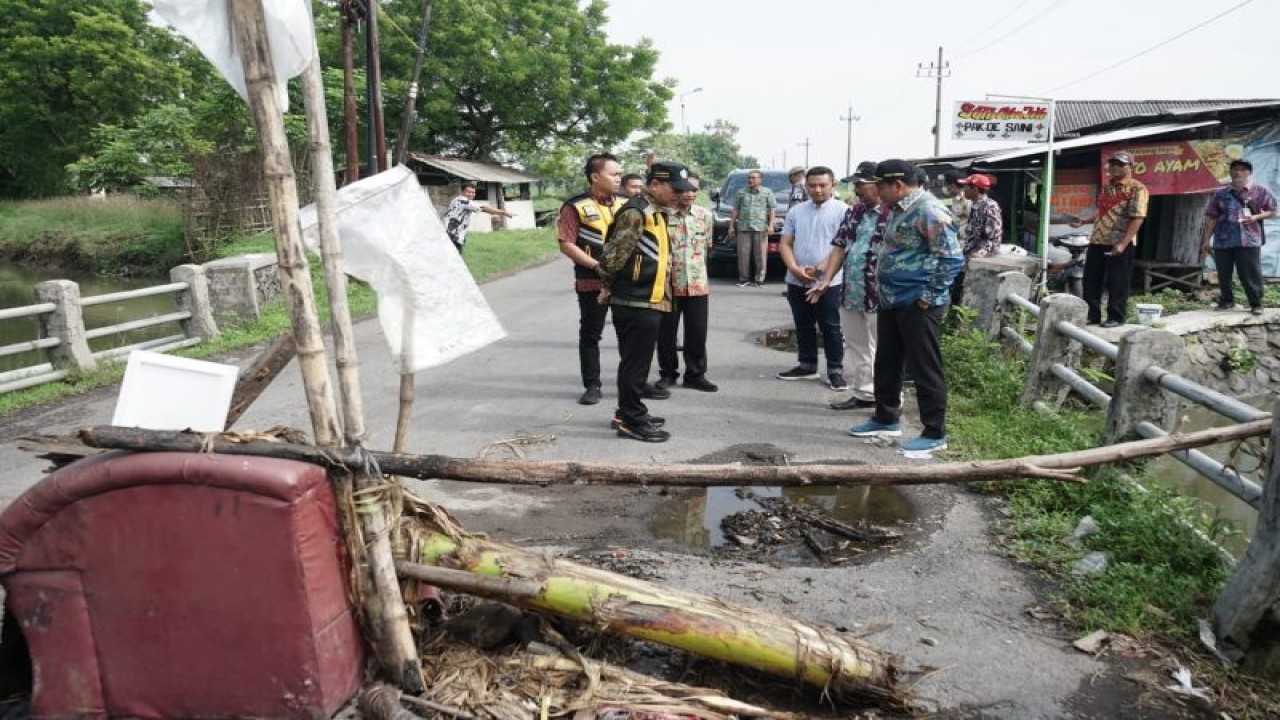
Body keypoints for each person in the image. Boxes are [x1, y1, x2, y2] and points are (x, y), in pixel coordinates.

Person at [848, 159, 963, 458]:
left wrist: (928, 295)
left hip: (917, 303)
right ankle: (886, 418)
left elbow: (951, 258)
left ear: (896, 185)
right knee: (887, 361)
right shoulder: (899, 209)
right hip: (892, 299)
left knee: (924, 367)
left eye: (880, 186)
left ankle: (934, 432)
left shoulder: (929, 209)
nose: (876, 192)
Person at [597, 161, 692, 442]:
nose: (679, 195)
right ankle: (631, 420)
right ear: (654, 185)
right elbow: (612, 259)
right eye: (675, 189)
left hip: (647, 299)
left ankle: (627, 411)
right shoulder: (637, 212)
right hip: (634, 301)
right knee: (635, 364)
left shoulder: (656, 211)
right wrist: (609, 286)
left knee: (635, 362)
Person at [809, 161, 889, 410]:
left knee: (885, 350)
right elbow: (840, 247)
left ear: (878, 185)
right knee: (857, 346)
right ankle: (865, 394)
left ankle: (888, 401)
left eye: (861, 185)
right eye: (855, 185)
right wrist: (826, 280)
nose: (856, 190)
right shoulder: (854, 212)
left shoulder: (893, 213)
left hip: (881, 294)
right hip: (852, 290)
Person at [557, 153, 624, 405]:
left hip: (625, 283)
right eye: (614, 174)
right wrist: (597, 266)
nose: (619, 178)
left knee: (629, 335)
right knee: (591, 335)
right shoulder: (575, 206)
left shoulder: (626, 203)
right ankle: (592, 385)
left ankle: (633, 383)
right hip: (591, 281)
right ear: (595, 176)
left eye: (620, 174)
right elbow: (566, 243)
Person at [776, 166, 849, 390]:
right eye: (812, 185)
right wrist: (795, 268)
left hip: (829, 279)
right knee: (803, 323)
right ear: (805, 186)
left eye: (822, 185)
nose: (817, 190)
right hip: (797, 278)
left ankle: (835, 370)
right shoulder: (796, 212)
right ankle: (807, 365)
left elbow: (843, 247)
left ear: (832, 185)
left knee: (830, 325)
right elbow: (785, 243)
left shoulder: (844, 211)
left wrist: (820, 269)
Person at [1070, 151, 1148, 328]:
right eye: (1112, 164)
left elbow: (1138, 217)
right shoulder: (1107, 187)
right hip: (1098, 239)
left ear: (1130, 167)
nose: (1114, 167)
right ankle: (1092, 315)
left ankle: (1116, 316)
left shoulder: (1137, 188)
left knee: (1117, 281)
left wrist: (1123, 243)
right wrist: (1084, 221)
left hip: (1119, 242)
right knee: (1091, 279)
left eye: (1120, 164)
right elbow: (1103, 212)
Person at [656, 174, 718, 393]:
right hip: (668, 284)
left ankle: (695, 374)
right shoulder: (662, 215)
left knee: (697, 332)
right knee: (666, 333)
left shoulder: (704, 215)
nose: (690, 194)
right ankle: (668, 374)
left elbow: (707, 246)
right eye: (685, 190)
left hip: (697, 283)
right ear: (676, 191)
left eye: (694, 190)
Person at [1200, 159, 1276, 316]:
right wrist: (1207, 239)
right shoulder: (1221, 193)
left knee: (1250, 272)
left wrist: (1255, 217)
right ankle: (1227, 301)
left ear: (1249, 173)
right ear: (1230, 172)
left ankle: (1256, 303)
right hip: (1223, 239)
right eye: (1235, 169)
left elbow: (1272, 210)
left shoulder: (1259, 191)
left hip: (1248, 240)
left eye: (1242, 169)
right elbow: (1212, 217)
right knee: (1223, 273)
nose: (1238, 172)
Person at [950, 173, 1003, 306]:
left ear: (975, 189)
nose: (964, 189)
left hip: (979, 257)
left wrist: (981, 253)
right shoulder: (974, 205)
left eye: (967, 187)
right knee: (956, 287)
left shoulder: (990, 206)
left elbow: (994, 236)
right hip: (967, 253)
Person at [728, 169, 777, 287]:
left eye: (754, 178)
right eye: (749, 177)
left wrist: (771, 225)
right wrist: (731, 225)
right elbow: (735, 209)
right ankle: (743, 279)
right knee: (743, 254)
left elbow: (772, 209)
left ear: (760, 179)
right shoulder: (741, 192)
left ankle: (759, 279)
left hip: (761, 227)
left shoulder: (767, 192)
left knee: (760, 255)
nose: (751, 180)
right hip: (744, 227)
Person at [441, 181, 514, 253]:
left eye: (473, 192)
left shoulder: (460, 201)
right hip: (452, 235)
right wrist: (504, 213)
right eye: (468, 192)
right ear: (462, 192)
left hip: (454, 236)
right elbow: (483, 208)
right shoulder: (462, 200)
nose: (471, 194)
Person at [943, 170, 972, 241]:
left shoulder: (968, 200)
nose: (945, 188)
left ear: (952, 186)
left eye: (946, 185)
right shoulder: (955, 199)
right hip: (958, 239)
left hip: (967, 240)